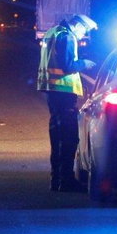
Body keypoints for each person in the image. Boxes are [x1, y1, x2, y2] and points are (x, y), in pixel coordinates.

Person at [37, 14, 98, 191]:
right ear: (77, 26)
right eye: (84, 31)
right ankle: (67, 181)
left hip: (51, 91)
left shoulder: (52, 32)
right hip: (64, 92)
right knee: (69, 138)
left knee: (57, 138)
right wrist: (84, 63)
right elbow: (68, 66)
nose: (83, 35)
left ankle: (56, 180)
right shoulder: (68, 36)